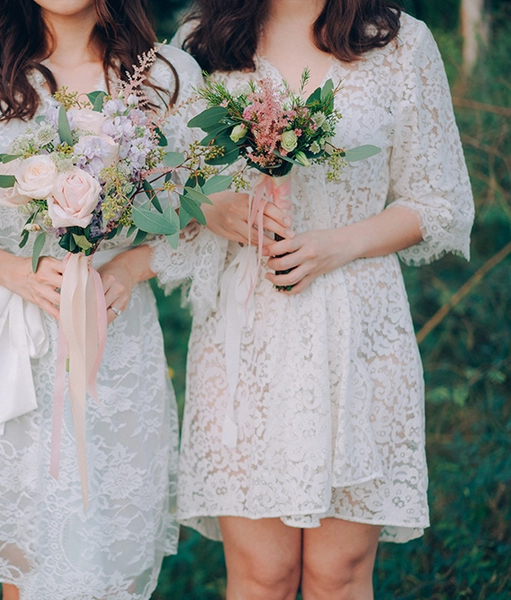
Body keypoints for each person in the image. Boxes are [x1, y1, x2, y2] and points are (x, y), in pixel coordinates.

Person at [150, 1, 474, 598]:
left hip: (358, 325)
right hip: (246, 333)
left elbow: (438, 197)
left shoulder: (399, 41)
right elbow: (168, 182)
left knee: (339, 573)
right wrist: (211, 206)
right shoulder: (202, 38)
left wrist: (336, 246)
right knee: (262, 574)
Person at [0, 0, 202, 598]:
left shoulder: (166, 76)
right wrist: (8, 269)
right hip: (13, 352)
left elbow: (200, 218)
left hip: (115, 343)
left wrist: (132, 268)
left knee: (108, 560)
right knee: (26, 567)